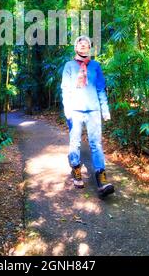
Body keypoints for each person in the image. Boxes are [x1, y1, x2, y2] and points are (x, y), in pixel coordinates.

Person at [61, 35, 115, 198]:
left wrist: (105, 109)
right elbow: (66, 88)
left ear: (90, 48)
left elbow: (100, 89)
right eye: (80, 43)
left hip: (93, 110)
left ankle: (101, 177)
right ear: (76, 48)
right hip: (75, 110)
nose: (83, 45)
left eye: (87, 44)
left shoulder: (96, 66)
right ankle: (76, 168)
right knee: (75, 142)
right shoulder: (69, 65)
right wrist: (67, 109)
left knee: (96, 144)